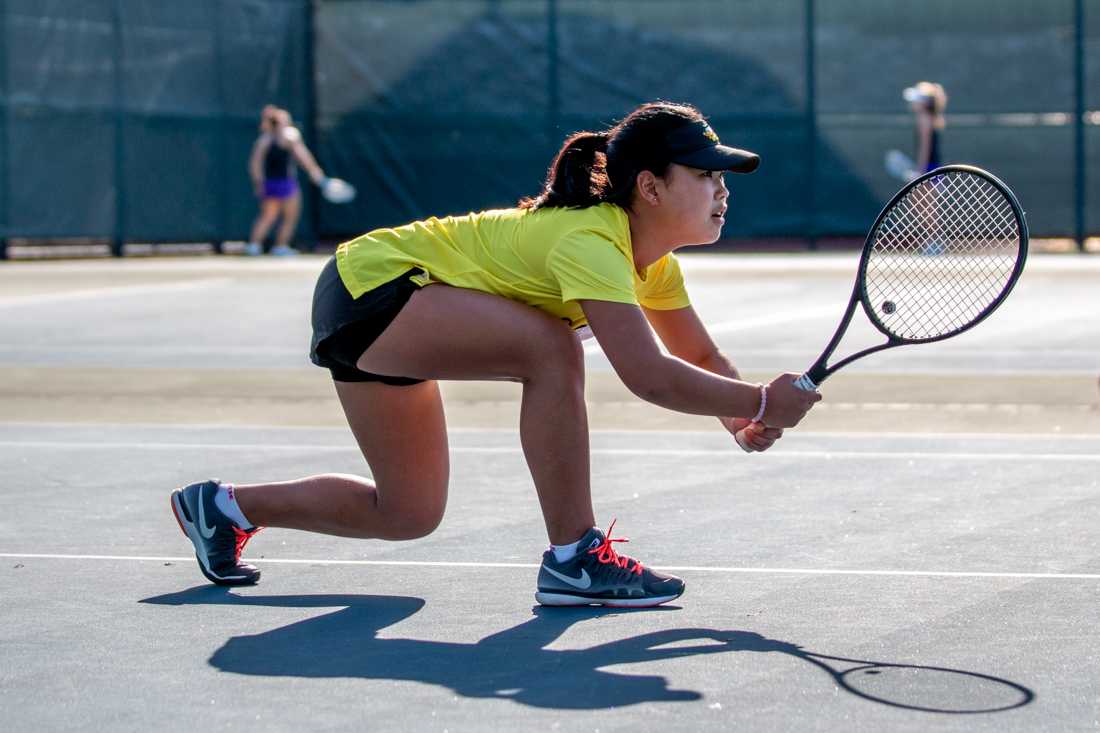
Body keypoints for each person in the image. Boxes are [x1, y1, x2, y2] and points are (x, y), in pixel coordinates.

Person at [171, 101, 821, 607]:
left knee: (407, 512)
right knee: (550, 347)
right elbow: (647, 375)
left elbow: (700, 357)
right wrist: (765, 399)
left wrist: (743, 416)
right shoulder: (593, 239)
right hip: (373, 284)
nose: (721, 188)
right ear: (650, 188)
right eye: (706, 175)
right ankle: (575, 558)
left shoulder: (652, 268)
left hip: (381, 306)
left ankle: (225, 507)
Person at [245, 105, 328, 256]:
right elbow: (303, 157)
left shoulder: (264, 140)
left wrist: (259, 183)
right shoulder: (289, 137)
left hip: (270, 184)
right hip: (285, 184)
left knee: (268, 216)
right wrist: (315, 171)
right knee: (290, 216)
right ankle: (279, 246)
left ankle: (254, 246)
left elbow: (254, 165)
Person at [903, 81, 948, 174]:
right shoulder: (929, 118)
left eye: (917, 100)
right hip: (933, 166)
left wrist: (920, 171)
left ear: (924, 103)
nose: (913, 102)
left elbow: (925, 147)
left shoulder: (924, 120)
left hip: (928, 168)